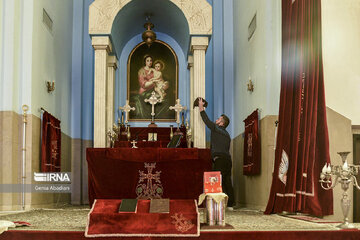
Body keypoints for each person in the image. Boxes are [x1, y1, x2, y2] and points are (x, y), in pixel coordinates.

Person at [198, 98, 235, 208]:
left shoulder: (217, 129)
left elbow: (206, 121)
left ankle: (219, 204)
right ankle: (231, 204)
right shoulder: (227, 135)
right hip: (228, 160)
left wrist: (201, 107)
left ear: (222, 123)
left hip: (220, 160)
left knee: (217, 181)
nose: (216, 120)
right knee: (227, 181)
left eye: (219, 119)